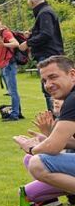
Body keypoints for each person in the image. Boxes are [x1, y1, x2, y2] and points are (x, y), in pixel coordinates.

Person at [15, 57, 75, 195]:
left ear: (72, 75)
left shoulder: (72, 99)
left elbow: (53, 147)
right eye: (44, 81)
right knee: (31, 161)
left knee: (37, 164)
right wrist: (47, 139)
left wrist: (31, 148)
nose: (48, 85)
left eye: (53, 77)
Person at [19, 0, 65, 110]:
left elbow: (46, 34)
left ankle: (56, 120)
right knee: (51, 88)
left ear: (31, 2)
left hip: (48, 55)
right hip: (50, 54)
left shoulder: (44, 13)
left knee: (50, 88)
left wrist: (28, 43)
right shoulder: (45, 11)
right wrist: (32, 34)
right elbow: (45, 32)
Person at [0, 14, 23, 121]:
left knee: (12, 90)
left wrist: (4, 44)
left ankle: (15, 114)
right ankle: (18, 112)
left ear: (1, 22)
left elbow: (16, 43)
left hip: (9, 63)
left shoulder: (6, 33)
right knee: (11, 90)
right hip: (2, 65)